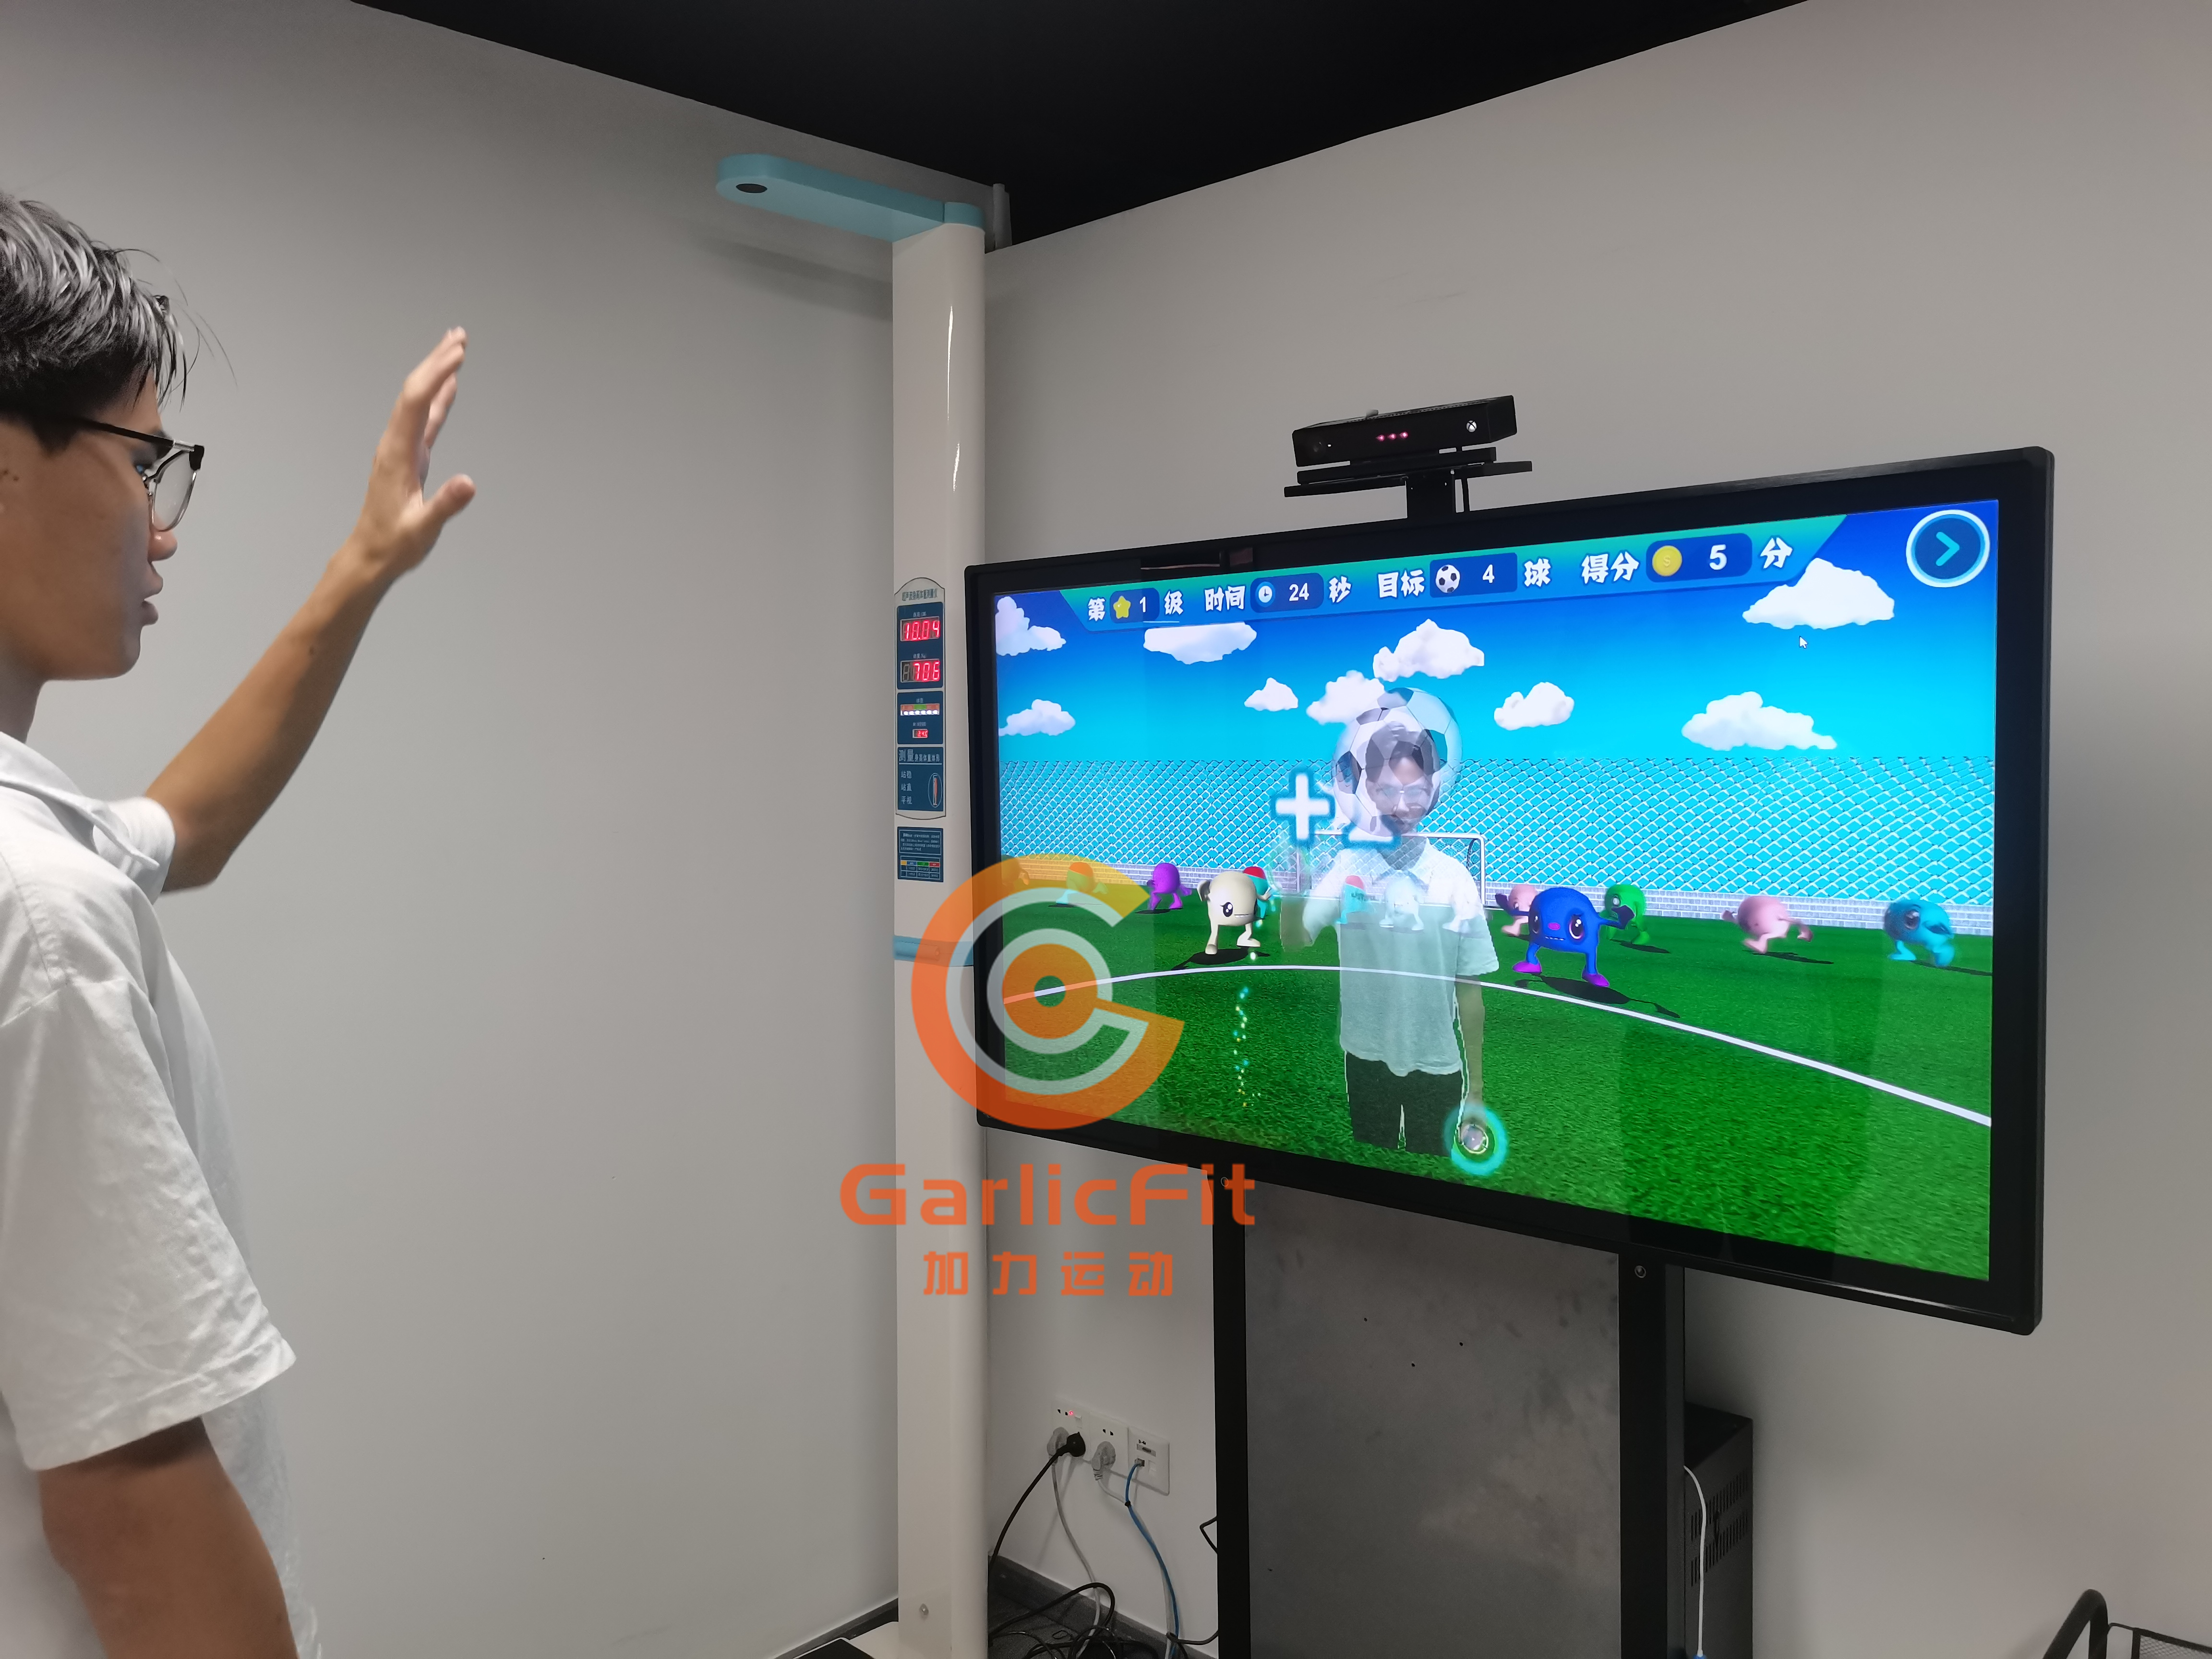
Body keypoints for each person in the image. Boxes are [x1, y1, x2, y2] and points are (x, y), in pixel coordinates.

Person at [0, 191, 474, 1659]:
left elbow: (176, 832)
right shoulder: (39, 918)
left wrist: (365, 566)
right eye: (144, 464)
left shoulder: (43, 860)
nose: (164, 529)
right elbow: (132, 1511)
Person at [1281, 691, 1499, 1161]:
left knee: (1431, 1178)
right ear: (1368, 791)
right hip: (1365, 1058)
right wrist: (1293, 881)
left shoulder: (1454, 879)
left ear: (1433, 791)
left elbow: (1470, 993)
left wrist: (1477, 1090)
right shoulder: (1346, 869)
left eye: (1414, 791)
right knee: (1367, 1170)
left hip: (1437, 1064)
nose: (1401, 805)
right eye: (1386, 791)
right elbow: (1295, 939)